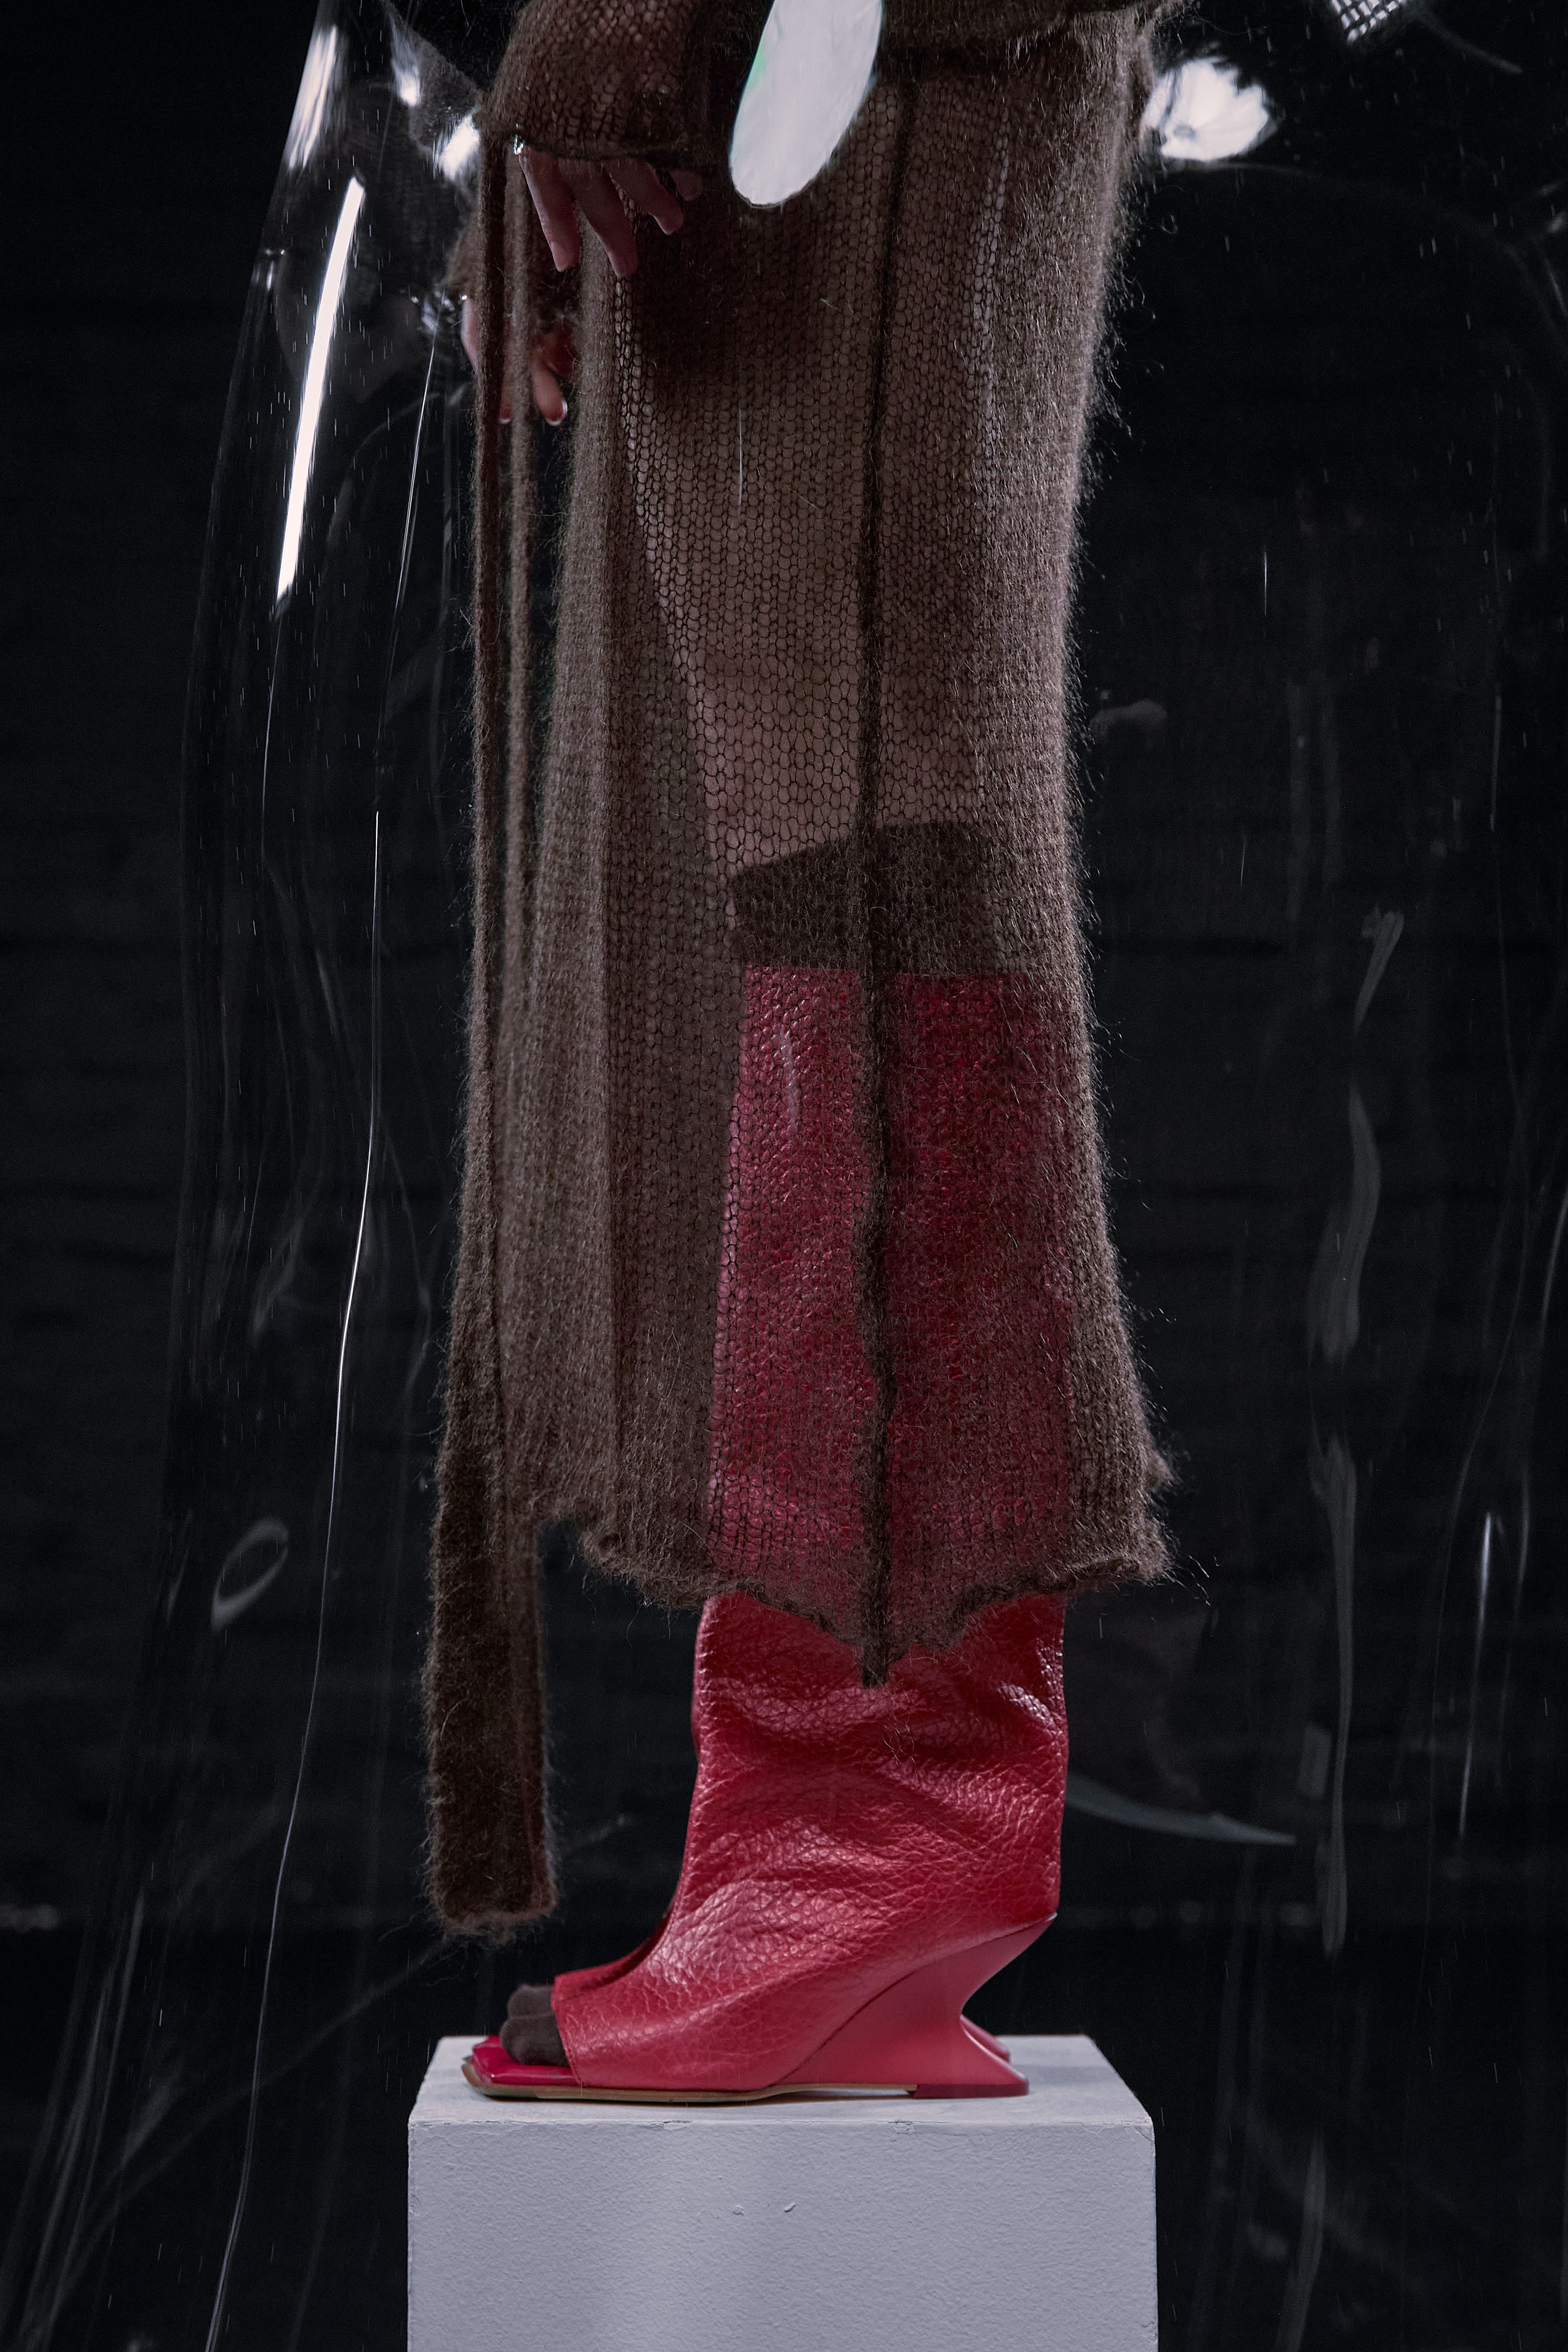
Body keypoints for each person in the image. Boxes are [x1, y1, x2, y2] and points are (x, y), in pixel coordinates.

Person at [428, 0, 1175, 2100]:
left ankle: (869, 1815)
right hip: (799, 85)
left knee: (868, 842)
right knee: (830, 859)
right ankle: (863, 1822)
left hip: (862, 62)